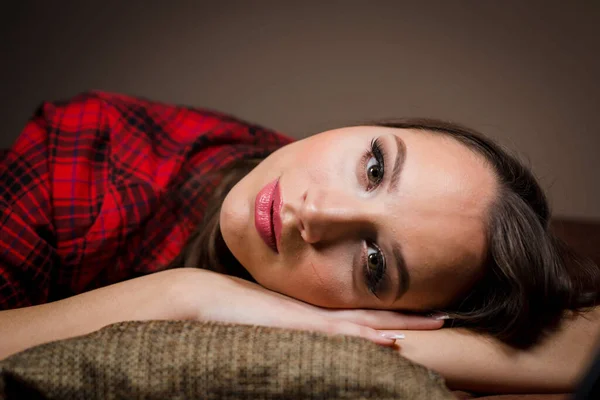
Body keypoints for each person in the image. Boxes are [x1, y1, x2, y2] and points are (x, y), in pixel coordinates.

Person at [1, 91, 599, 393]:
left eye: (372, 263)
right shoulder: (90, 154)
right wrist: (184, 293)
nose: (316, 212)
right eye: (372, 168)